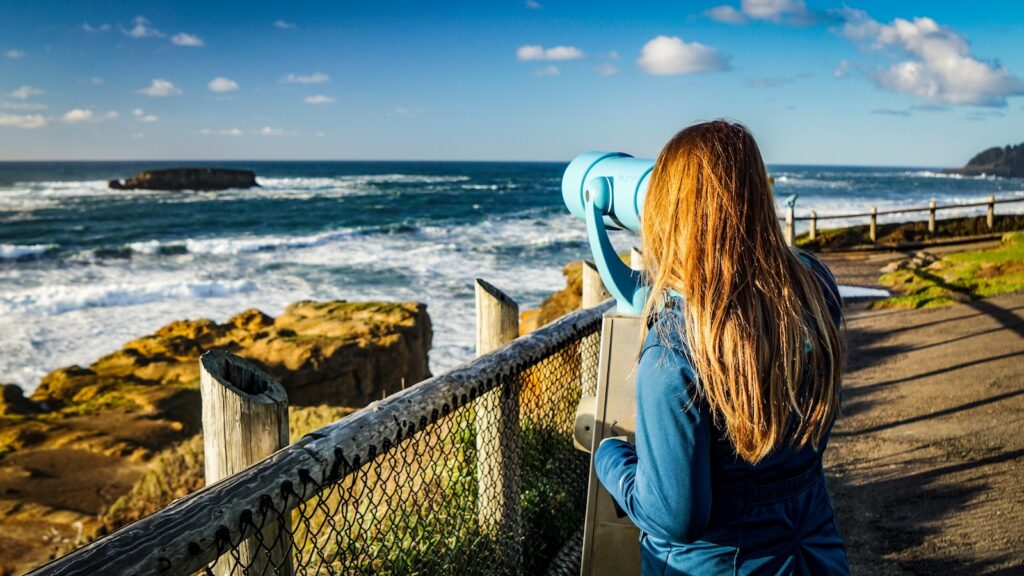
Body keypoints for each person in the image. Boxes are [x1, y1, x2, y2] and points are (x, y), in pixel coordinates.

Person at [594, 120, 849, 575]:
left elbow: (676, 517)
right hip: (814, 553)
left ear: (668, 214)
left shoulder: (672, 352)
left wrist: (609, 458)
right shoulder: (815, 287)